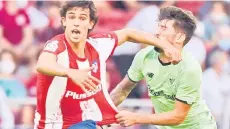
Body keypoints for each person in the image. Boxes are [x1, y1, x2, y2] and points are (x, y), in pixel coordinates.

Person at [34, 1, 181, 129]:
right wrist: (69, 72)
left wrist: (165, 45)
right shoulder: (57, 44)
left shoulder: (99, 45)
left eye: (82, 18)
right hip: (50, 124)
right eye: (71, 17)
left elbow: (129, 33)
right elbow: (42, 64)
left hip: (83, 122)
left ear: (91, 23)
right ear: (64, 21)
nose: (76, 22)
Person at [110, 6, 217, 129]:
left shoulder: (190, 67)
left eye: (163, 28)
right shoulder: (144, 55)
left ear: (180, 37)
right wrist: (101, 113)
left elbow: (178, 116)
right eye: (158, 26)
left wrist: (136, 117)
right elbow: (123, 90)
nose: (156, 32)